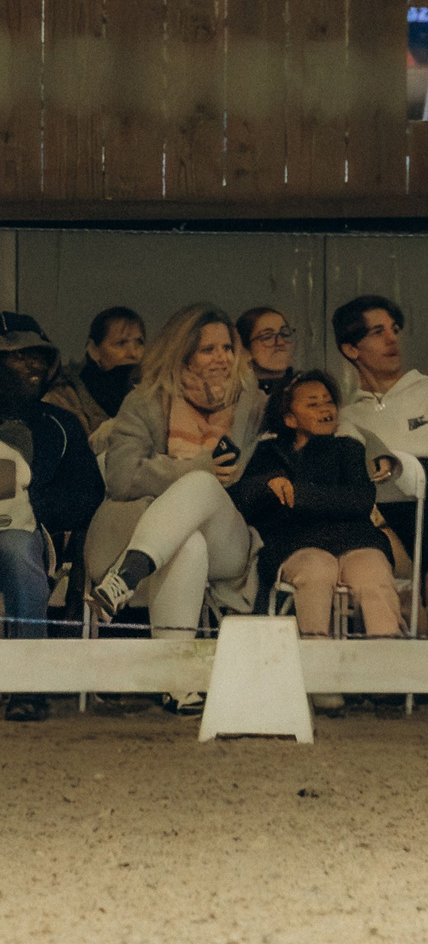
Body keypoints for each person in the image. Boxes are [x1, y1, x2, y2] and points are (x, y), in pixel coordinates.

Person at [86, 306, 266, 713]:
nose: (221, 358)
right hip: (136, 527)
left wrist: (379, 454)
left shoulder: (252, 404)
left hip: (229, 538)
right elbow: (121, 478)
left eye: (226, 348)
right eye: (207, 350)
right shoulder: (145, 401)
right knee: (189, 543)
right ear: (182, 354)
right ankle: (179, 684)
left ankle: (127, 574)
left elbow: (326, 418)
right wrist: (196, 465)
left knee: (201, 487)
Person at [330, 295, 428, 635]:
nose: (391, 339)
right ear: (351, 349)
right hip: (387, 531)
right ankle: (398, 678)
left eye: (394, 329)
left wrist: (408, 467)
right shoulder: (345, 417)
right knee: (384, 573)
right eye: (377, 332)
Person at [236, 372, 404, 640]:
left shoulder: (347, 447)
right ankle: (316, 656)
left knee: (372, 572)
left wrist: (298, 495)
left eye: (328, 402)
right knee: (318, 568)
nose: (325, 409)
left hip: (355, 542)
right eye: (312, 404)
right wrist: (269, 484)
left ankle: (386, 664)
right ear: (290, 419)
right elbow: (245, 497)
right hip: (295, 546)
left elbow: (360, 499)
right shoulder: (270, 452)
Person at [0, 313, 106, 721]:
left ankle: (28, 683)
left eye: (41, 357)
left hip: (28, 535)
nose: (35, 365)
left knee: (14, 548)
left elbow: (87, 496)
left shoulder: (59, 424)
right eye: (20, 356)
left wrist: (31, 502)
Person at [45, 305, 144, 435]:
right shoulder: (65, 395)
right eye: (121, 343)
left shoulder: (147, 393)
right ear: (94, 349)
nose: (133, 353)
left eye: (139, 342)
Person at [237, 307, 298, 401]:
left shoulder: (308, 387)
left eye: (285, 333)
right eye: (267, 337)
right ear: (246, 349)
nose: (280, 342)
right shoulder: (235, 396)